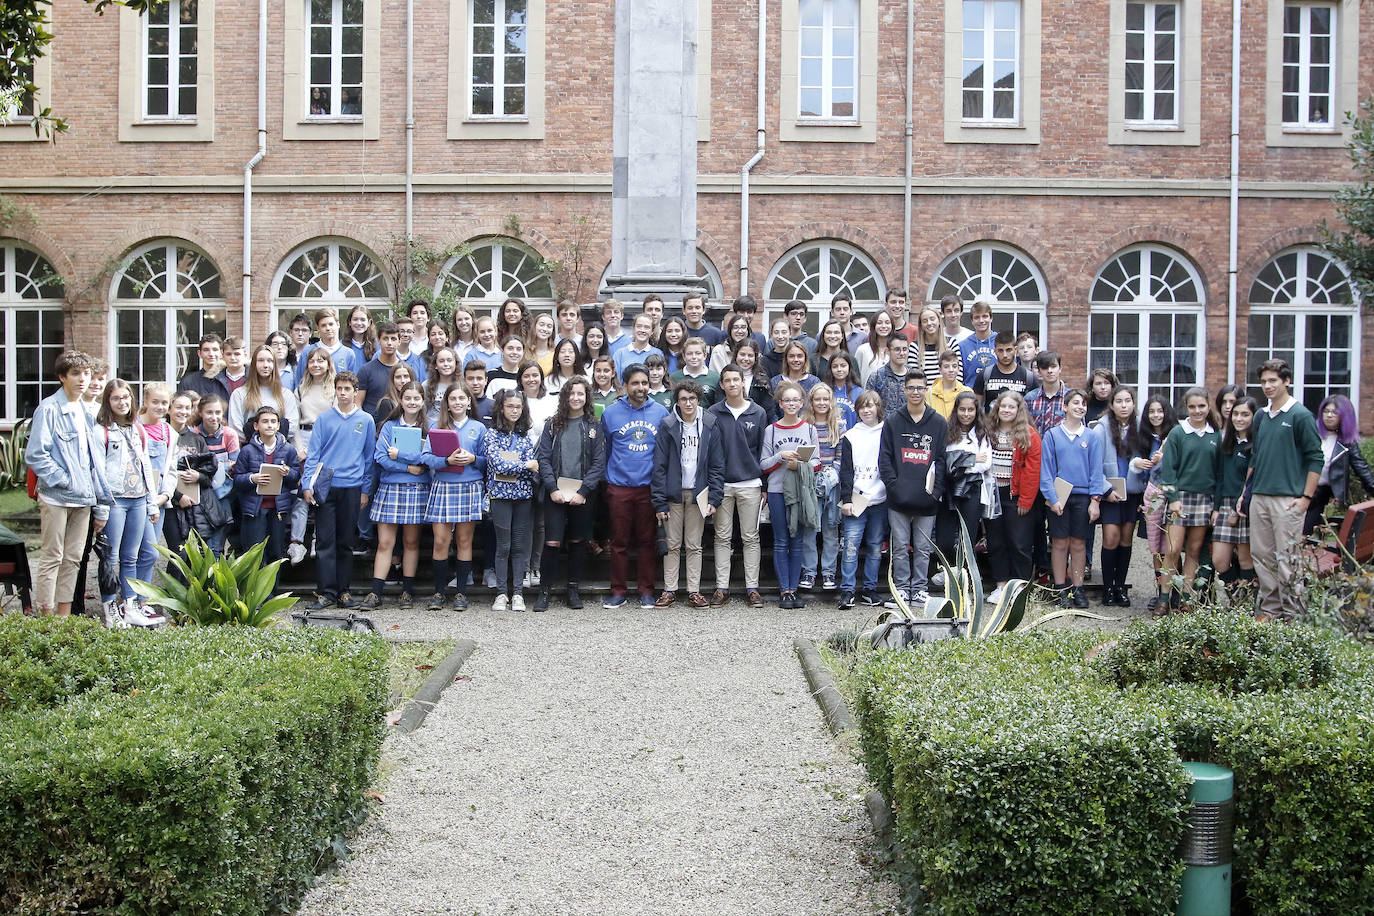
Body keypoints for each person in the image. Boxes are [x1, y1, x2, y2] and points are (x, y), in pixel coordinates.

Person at [28, 352, 112, 617]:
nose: (82, 379)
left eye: (86, 374)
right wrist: (65, 480)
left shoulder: (89, 411)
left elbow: (94, 461)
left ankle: (63, 620)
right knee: (52, 557)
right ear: (62, 377)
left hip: (84, 499)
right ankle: (46, 617)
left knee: (73, 559)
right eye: (76, 374)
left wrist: (98, 502)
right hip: (56, 497)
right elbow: (36, 454)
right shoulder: (49, 408)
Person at [1241, 359, 1324, 620]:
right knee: (1263, 558)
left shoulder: (1300, 415)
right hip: (1260, 497)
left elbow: (1315, 458)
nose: (1267, 386)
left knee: (1288, 559)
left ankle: (1293, 616)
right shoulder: (1261, 416)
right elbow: (1255, 458)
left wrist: (1306, 498)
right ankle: (1271, 611)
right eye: (1263, 381)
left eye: (1273, 381)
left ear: (1286, 381)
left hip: (1288, 499)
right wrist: (1246, 493)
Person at [301, 372, 376, 609]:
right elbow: (313, 453)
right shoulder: (324, 419)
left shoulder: (366, 420)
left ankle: (344, 591)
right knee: (324, 541)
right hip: (327, 486)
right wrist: (307, 484)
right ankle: (326, 592)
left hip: (352, 486)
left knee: (346, 541)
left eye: (347, 389)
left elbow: (368, 457)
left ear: (356, 391)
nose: (343, 393)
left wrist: (365, 489)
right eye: (339, 388)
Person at [362, 383, 440, 609]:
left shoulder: (430, 427)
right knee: (385, 542)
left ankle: (407, 591)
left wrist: (401, 456)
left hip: (418, 489)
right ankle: (376, 592)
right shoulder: (389, 426)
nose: (412, 402)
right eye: (408, 398)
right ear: (401, 400)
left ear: (423, 401)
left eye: (417, 398)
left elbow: (428, 458)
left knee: (411, 541)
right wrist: (408, 467)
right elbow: (381, 457)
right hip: (391, 488)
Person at [94, 379, 164, 626]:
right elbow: (99, 471)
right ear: (108, 401)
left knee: (131, 556)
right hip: (115, 501)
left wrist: (151, 503)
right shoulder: (101, 429)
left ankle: (131, 605)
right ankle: (110, 608)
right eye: (116, 399)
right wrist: (101, 508)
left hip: (138, 499)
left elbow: (145, 464)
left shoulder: (137, 427)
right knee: (110, 557)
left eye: (126, 398)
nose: (122, 403)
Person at [534, 377, 607, 611]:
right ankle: (544, 592)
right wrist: (552, 488)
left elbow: (598, 463)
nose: (576, 398)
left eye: (581, 394)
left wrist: (584, 491)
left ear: (587, 397)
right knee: (552, 541)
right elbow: (543, 458)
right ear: (565, 396)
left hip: (582, 495)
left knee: (577, 541)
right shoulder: (552, 424)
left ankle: (573, 590)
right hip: (555, 493)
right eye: (572, 393)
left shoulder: (594, 426)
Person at [600, 364, 670, 608]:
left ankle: (646, 590)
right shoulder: (610, 413)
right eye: (635, 383)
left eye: (644, 383)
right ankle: (618, 591)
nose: (640, 388)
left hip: (648, 487)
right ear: (625, 385)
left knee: (646, 541)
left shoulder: (661, 412)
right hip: (619, 487)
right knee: (618, 543)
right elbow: (606, 449)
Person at [651, 379, 724, 607]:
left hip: (698, 492)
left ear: (699, 399)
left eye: (692, 398)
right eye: (683, 399)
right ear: (678, 401)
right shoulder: (668, 424)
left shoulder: (710, 423)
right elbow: (659, 465)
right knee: (672, 544)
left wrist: (714, 497)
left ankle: (694, 590)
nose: (688, 403)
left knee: (694, 544)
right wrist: (659, 501)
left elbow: (717, 464)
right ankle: (669, 590)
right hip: (673, 492)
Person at [879, 368, 947, 608]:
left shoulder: (938, 422)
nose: (916, 392)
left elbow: (941, 459)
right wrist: (893, 487)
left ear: (926, 390)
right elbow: (885, 459)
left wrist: (936, 492)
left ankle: (919, 589)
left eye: (920, 388)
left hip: (927, 499)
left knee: (923, 548)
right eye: (912, 388)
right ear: (904, 390)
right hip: (899, 498)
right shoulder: (893, 421)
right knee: (899, 548)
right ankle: (900, 590)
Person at [1040, 388, 1109, 609]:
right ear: (1065, 406)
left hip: (1083, 497)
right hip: (1060, 497)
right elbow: (1047, 471)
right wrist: (1052, 498)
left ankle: (1078, 589)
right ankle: (1061, 589)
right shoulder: (1052, 435)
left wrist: (1095, 501)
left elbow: (1096, 471)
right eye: (1076, 403)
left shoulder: (1091, 436)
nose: (1080, 407)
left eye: (1084, 404)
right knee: (1059, 543)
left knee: (1079, 544)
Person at [707, 364, 768, 607]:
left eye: (736, 380)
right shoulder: (713, 413)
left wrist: (763, 484)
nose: (732, 384)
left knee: (750, 537)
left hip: (750, 483)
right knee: (722, 537)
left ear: (743, 382)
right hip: (722, 484)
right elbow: (710, 453)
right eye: (727, 381)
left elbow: (763, 450)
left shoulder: (758, 412)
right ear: (721, 385)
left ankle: (752, 589)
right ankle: (722, 588)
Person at [760, 381, 821, 608]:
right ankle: (784, 589)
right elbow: (763, 464)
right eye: (787, 400)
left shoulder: (809, 429)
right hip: (777, 490)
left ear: (802, 403)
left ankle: (794, 590)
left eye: (796, 400)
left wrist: (801, 465)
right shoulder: (771, 430)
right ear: (780, 403)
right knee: (781, 540)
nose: (792, 404)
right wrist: (780, 456)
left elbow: (817, 463)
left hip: (801, 492)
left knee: (797, 540)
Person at [426, 385, 487, 611]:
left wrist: (472, 458)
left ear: (469, 402)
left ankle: (461, 592)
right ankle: (439, 592)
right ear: (447, 403)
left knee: (464, 541)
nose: (458, 402)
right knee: (441, 541)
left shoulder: (479, 428)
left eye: (462, 398)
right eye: (453, 398)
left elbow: (486, 461)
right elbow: (427, 458)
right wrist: (446, 462)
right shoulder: (436, 426)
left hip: (469, 486)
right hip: (443, 485)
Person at [1159, 387, 1220, 610]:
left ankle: (1185, 600)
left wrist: (1217, 505)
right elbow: (1168, 470)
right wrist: (1172, 497)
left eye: (1201, 406)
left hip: (1205, 499)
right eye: (1192, 407)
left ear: (1208, 406)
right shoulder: (1178, 433)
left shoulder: (1216, 434)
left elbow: (1219, 472)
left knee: (1194, 551)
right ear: (1186, 408)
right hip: (1180, 498)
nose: (1197, 411)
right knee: (1173, 550)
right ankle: (1164, 599)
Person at [485, 389, 540, 611]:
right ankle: (501, 593)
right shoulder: (491, 435)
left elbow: (534, 467)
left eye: (518, 407)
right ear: (501, 407)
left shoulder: (525, 436)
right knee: (503, 547)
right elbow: (498, 465)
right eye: (510, 406)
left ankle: (518, 593)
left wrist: (521, 467)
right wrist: (524, 465)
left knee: (520, 547)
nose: (515, 410)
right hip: (500, 497)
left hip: (523, 497)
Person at [983, 391, 1041, 601]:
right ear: (997, 408)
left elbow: (1033, 471)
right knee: (996, 541)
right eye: (1003, 406)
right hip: (992, 493)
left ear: (1019, 410)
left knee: (1019, 543)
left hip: (1015, 494)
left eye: (1011, 407)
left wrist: (1026, 500)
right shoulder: (987, 431)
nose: (1006, 410)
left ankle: (1019, 586)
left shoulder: (1028, 434)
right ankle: (1001, 585)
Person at [836, 391, 888, 609]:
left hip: (880, 497)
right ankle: (847, 589)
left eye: (871, 406)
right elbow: (846, 470)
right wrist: (846, 499)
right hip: (857, 497)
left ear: (878, 408)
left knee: (876, 546)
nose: (867, 410)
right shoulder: (851, 436)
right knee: (850, 546)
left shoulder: (887, 432)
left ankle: (870, 589)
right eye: (862, 407)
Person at [233, 405, 301, 566]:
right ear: (256, 426)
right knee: (254, 552)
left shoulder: (288, 450)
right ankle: (254, 591)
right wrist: (252, 478)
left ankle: (273, 590)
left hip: (278, 509)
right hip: (255, 509)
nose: (269, 425)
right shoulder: (247, 451)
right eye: (265, 422)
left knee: (276, 552)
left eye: (273, 422)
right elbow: (237, 479)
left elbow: (296, 477)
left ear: (278, 425)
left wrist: (288, 472)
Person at [1094, 385, 1144, 607]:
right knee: (1111, 538)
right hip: (1110, 492)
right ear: (1112, 405)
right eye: (1119, 401)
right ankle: (1107, 588)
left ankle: (1120, 587)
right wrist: (1106, 490)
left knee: (1126, 539)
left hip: (1132, 492)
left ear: (1133, 404)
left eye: (1128, 401)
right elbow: (1094, 465)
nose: (1124, 405)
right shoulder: (1102, 428)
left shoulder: (1141, 427)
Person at [163, 390, 222, 565]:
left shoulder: (196, 439)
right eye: (179, 407)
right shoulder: (162, 435)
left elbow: (209, 477)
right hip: (170, 504)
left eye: (187, 408)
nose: (183, 412)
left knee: (194, 553)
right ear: (169, 409)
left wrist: (198, 476)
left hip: (194, 504)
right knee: (178, 552)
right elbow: (159, 474)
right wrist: (178, 497)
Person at [935, 391, 991, 573]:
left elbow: (986, 463)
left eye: (970, 410)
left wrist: (959, 461)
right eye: (962, 409)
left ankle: (967, 576)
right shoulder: (946, 431)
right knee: (944, 538)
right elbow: (944, 462)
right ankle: (949, 571)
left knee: (967, 537)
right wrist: (972, 458)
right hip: (949, 489)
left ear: (976, 411)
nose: (966, 414)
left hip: (972, 489)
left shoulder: (982, 433)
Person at [800, 382, 847, 591]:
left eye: (825, 399)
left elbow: (841, 456)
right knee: (810, 528)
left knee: (830, 528)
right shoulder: (804, 424)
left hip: (832, 483)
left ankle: (829, 572)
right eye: (817, 399)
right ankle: (809, 572)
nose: (821, 403)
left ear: (831, 401)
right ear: (811, 401)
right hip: (810, 482)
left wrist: (831, 475)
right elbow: (803, 455)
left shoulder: (839, 424)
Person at [1305, 394, 1374, 534]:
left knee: (1306, 535)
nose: (1329, 415)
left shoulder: (1347, 444)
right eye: (1326, 411)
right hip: (1298, 490)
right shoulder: (1311, 434)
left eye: (1334, 412)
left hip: (1320, 497)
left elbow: (1363, 470)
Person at [1212, 396, 1258, 602]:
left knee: (1246, 559)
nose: (1239, 418)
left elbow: (1252, 481)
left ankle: (1245, 605)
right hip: (1225, 505)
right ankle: (1235, 597)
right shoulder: (1227, 444)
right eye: (1236, 414)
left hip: (1245, 507)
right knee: (1219, 560)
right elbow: (1220, 478)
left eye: (1245, 414)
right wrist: (1216, 507)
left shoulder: (1256, 447)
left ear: (1254, 417)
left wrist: (1239, 505)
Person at [1137, 395, 1178, 614]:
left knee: (1173, 544)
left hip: (1172, 492)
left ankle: (1175, 592)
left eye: (1160, 411)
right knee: (1155, 546)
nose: (1156, 415)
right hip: (1151, 495)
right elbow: (1138, 469)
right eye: (1151, 411)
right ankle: (1160, 590)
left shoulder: (1176, 434)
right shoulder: (1144, 437)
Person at [135, 384, 174, 587]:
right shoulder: (134, 427)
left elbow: (171, 469)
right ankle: (132, 598)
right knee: (142, 552)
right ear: (145, 402)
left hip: (159, 500)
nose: (160, 406)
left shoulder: (168, 431)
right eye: (155, 402)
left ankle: (142, 600)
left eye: (164, 403)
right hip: (137, 499)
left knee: (151, 552)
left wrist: (165, 495)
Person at [195, 392, 240, 557]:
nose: (214, 417)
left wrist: (211, 467)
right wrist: (220, 466)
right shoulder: (195, 434)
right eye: (209, 412)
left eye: (218, 412)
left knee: (219, 535)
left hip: (223, 492)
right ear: (200, 413)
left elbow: (235, 463)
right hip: (201, 493)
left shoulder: (229, 434)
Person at [230, 345, 301, 444]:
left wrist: (272, 442)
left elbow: (292, 425)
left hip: (279, 450)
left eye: (270, 360)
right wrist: (258, 441)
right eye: (261, 360)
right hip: (250, 451)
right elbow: (235, 428)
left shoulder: (286, 394)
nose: (265, 365)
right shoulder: (239, 394)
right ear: (254, 364)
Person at [973, 331, 1035, 410]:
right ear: (995, 351)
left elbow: (1032, 411)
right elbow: (977, 409)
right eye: (1000, 350)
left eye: (1009, 350)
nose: (1005, 355)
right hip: (990, 421)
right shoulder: (985, 375)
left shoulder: (1028, 377)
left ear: (1016, 350)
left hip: (1018, 421)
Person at [355, 322, 408, 415]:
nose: (389, 343)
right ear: (379, 341)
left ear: (399, 341)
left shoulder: (406, 372)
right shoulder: (366, 370)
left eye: (393, 339)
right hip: (373, 425)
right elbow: (357, 403)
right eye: (385, 338)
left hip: (398, 425)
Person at [297, 307, 359, 381]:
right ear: (318, 328)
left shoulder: (348, 353)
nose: (328, 328)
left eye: (331, 324)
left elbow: (352, 384)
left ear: (338, 324)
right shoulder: (308, 352)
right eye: (323, 325)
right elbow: (300, 381)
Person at [865, 332, 911, 414]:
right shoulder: (877, 376)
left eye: (904, 349)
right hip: (883, 425)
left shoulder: (913, 376)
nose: (902, 353)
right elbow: (867, 405)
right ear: (887, 351)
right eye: (897, 349)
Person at [669, 337, 720, 407]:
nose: (694, 357)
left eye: (698, 353)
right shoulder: (674, 378)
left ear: (704, 355)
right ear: (684, 356)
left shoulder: (715, 378)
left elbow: (717, 404)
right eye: (689, 353)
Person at [612, 313, 663, 383]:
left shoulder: (657, 353)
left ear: (652, 331)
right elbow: (616, 381)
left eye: (647, 327)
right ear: (633, 328)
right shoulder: (620, 354)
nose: (642, 330)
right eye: (639, 326)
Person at [178, 333, 229, 401]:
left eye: (215, 350)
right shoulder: (188, 382)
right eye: (206, 350)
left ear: (221, 353)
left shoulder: (229, 379)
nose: (211, 354)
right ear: (199, 353)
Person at [957, 300, 997, 385]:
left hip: (996, 394)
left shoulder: (1001, 342)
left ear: (991, 318)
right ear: (972, 320)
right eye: (977, 317)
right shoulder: (962, 346)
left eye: (985, 316)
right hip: (970, 394)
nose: (981, 320)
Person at [927, 349, 972, 421]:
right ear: (940, 370)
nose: (951, 370)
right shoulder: (930, 393)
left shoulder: (967, 391)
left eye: (954, 366)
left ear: (958, 369)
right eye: (946, 366)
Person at [854, 310, 895, 384]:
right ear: (873, 326)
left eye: (887, 322)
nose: (883, 326)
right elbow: (855, 377)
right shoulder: (863, 350)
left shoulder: (897, 351)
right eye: (879, 323)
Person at [823, 352, 862, 428]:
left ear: (849, 367)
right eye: (835, 366)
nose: (839, 369)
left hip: (852, 436)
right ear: (830, 369)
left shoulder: (858, 392)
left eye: (843, 366)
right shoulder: (825, 391)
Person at [424, 346, 461, 424]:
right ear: (435, 365)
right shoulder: (426, 385)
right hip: (431, 428)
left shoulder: (461, 386)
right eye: (441, 361)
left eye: (449, 360)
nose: (446, 364)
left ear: (455, 363)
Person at [912, 306, 945, 381]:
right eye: (925, 321)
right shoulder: (914, 347)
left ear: (939, 320)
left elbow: (958, 377)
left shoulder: (951, 344)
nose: (929, 323)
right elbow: (913, 378)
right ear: (921, 326)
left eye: (932, 319)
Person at [346, 303, 378, 368]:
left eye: (363, 320)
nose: (359, 323)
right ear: (349, 322)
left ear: (369, 323)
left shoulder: (378, 346)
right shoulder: (341, 346)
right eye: (355, 319)